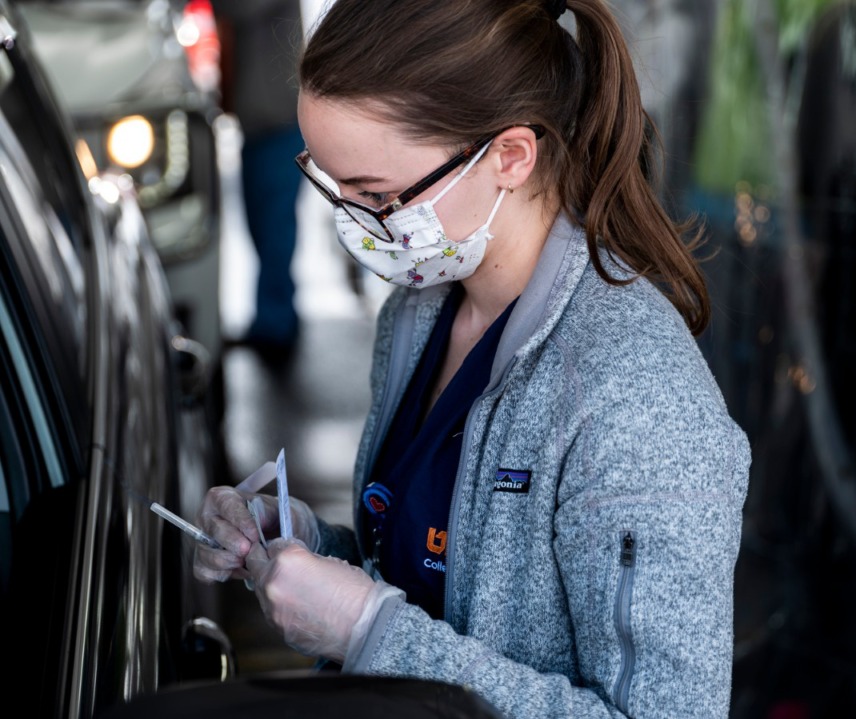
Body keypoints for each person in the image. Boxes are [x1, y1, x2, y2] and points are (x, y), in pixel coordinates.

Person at [193, 1, 752, 717]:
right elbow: (429, 580)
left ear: (511, 157)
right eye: (335, 190)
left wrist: (368, 630)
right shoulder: (420, 312)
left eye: (378, 195)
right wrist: (302, 546)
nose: (356, 225)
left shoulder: (636, 396)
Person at [212, 0, 304, 358]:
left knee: (274, 226)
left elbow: (236, 10)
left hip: (278, 121)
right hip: (258, 122)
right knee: (261, 224)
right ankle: (274, 317)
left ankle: (276, 323)